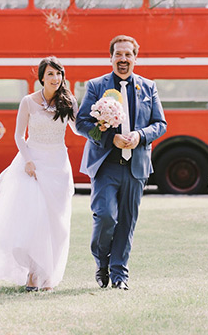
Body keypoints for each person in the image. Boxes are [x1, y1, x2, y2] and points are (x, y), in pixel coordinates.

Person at [76, 35, 167, 290]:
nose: (123, 59)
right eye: (119, 54)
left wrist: (140, 136)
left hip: (136, 166)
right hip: (106, 165)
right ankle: (101, 262)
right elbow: (81, 123)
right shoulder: (95, 86)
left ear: (135, 58)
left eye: (128, 54)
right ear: (111, 58)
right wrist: (109, 138)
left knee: (127, 222)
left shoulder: (149, 87)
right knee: (105, 217)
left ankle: (119, 276)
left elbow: (160, 124)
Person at [0, 56, 78, 292]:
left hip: (58, 165)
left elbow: (78, 129)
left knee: (57, 223)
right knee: (34, 220)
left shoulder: (69, 102)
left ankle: (48, 276)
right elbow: (18, 136)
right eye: (50, 74)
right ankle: (33, 275)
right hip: (33, 165)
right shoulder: (28, 101)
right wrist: (28, 161)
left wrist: (102, 123)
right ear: (42, 78)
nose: (55, 78)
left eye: (58, 74)